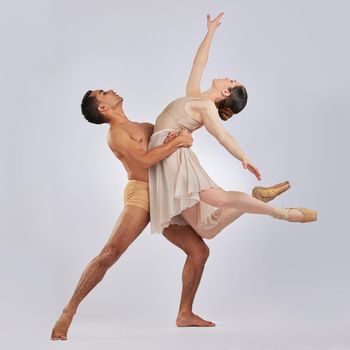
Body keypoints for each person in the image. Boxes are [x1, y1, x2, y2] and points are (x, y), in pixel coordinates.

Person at [51, 89, 214, 341]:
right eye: (103, 93)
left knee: (199, 252)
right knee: (110, 252)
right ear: (103, 108)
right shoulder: (116, 135)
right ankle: (68, 311)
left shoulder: (145, 126)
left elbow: (183, 125)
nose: (110, 91)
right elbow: (147, 160)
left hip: (165, 191)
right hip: (142, 192)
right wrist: (178, 142)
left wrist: (210, 113)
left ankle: (185, 313)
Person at [148, 12, 317, 239]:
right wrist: (210, 33)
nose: (228, 77)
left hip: (171, 154)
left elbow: (223, 136)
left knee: (220, 198)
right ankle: (256, 199)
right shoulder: (194, 96)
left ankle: (283, 213)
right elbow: (199, 63)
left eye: (231, 81)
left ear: (225, 92)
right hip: (166, 149)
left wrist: (242, 157)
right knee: (206, 230)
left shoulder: (205, 107)